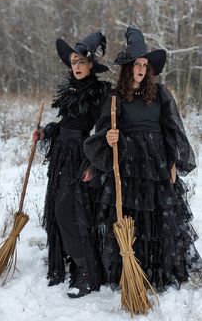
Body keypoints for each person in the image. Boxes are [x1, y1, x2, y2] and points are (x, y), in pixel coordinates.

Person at [84, 26, 202, 291]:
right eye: (136, 64)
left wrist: (173, 162)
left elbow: (172, 129)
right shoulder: (115, 98)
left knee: (159, 216)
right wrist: (109, 138)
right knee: (130, 216)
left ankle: (158, 268)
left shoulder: (159, 93)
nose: (141, 68)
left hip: (157, 162)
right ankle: (132, 268)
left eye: (145, 64)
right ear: (128, 67)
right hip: (127, 163)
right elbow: (102, 131)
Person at [33, 32, 110, 298]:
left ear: (91, 65)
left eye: (81, 61)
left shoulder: (101, 92)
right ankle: (75, 263)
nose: (76, 66)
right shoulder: (70, 90)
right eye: (73, 61)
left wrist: (92, 163)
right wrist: (46, 132)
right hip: (61, 156)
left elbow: (101, 131)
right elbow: (67, 124)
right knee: (58, 208)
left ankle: (87, 270)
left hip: (81, 156)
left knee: (70, 211)